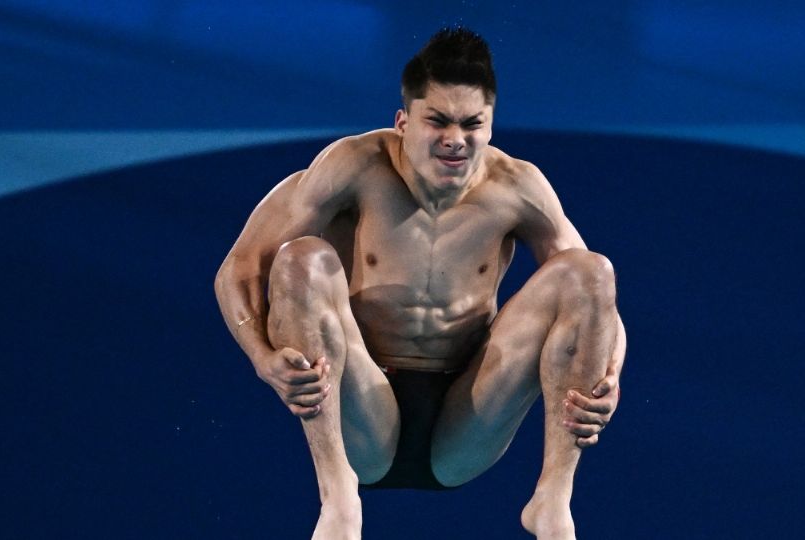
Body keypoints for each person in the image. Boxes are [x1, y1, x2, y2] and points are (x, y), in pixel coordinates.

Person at [214, 27, 626, 540]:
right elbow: (239, 267)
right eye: (438, 121)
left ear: (491, 126)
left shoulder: (518, 187)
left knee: (590, 270)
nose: (456, 139)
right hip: (361, 405)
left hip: (469, 413)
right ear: (403, 121)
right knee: (301, 259)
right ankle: (338, 494)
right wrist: (261, 358)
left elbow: (598, 304)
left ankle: (552, 499)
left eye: (472, 123)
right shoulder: (352, 166)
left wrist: (609, 377)